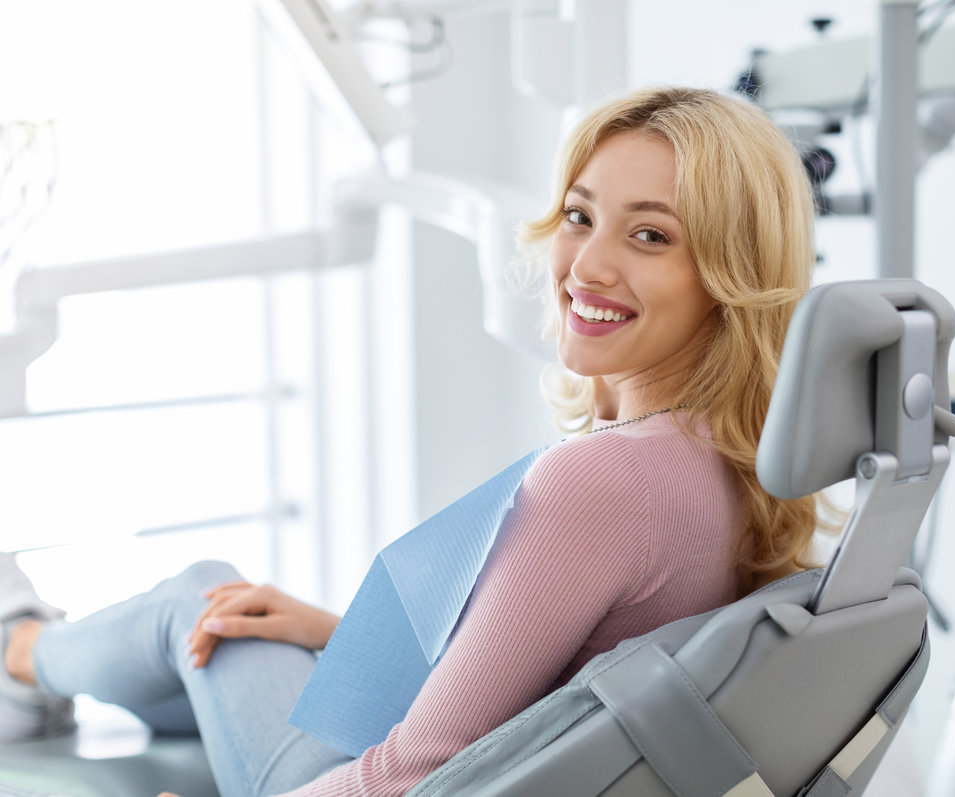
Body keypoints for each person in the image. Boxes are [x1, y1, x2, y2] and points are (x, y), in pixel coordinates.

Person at [0, 85, 822, 797]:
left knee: (195, 598)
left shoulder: (603, 480)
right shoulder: (732, 457)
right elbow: (555, 681)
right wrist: (332, 633)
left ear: (728, 273)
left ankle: (19, 654)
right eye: (580, 216)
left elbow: (417, 771)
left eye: (650, 236)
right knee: (232, 625)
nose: (587, 265)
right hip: (518, 760)